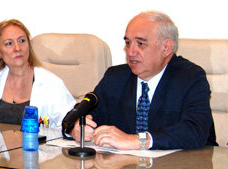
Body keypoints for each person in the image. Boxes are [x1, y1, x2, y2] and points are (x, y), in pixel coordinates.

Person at [68, 11, 217, 150]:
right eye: (127, 43)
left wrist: (137, 140)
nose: (131, 52)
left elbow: (195, 131)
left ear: (166, 47)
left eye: (140, 43)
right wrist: (77, 129)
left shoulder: (190, 78)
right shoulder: (115, 77)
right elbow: (82, 115)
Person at [0, 19, 75, 127]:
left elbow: (71, 126)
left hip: (40, 144)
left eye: (22, 41)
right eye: (9, 43)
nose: (17, 48)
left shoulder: (52, 84)